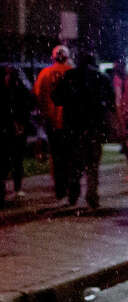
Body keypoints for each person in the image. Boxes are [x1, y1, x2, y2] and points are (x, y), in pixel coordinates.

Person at [52, 52, 114, 209]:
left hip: (73, 127)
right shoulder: (101, 78)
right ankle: (92, 196)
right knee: (92, 164)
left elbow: (57, 98)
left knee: (74, 164)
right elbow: (111, 102)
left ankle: (73, 195)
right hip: (93, 127)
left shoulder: (69, 76)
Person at [34, 45, 74, 200]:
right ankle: (70, 186)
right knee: (70, 156)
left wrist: (44, 114)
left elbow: (38, 96)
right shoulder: (72, 72)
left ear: (53, 57)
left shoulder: (45, 73)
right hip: (69, 121)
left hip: (52, 121)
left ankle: (59, 187)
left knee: (56, 156)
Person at [0, 67, 36, 205]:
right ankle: (14, 187)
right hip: (14, 130)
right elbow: (29, 105)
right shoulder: (20, 90)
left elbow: (27, 106)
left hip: (11, 130)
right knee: (14, 159)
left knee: (12, 160)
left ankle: (11, 187)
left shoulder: (16, 91)